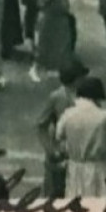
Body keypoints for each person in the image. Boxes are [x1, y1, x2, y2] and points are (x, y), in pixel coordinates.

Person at [57, 76, 106, 198]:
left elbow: (59, 135)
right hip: (101, 169)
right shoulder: (105, 117)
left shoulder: (67, 115)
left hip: (75, 168)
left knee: (76, 204)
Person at [35, 59, 89, 198]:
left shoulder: (88, 94)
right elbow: (41, 125)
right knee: (54, 195)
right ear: (75, 79)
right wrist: (51, 150)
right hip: (61, 154)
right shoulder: (57, 97)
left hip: (81, 154)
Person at [31, 0, 75, 83]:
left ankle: (56, 68)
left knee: (62, 43)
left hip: (61, 15)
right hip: (48, 15)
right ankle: (35, 68)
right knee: (43, 44)